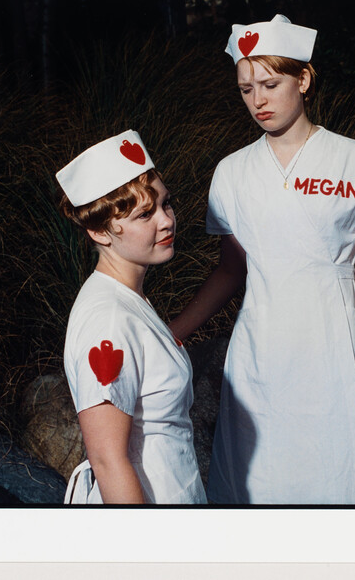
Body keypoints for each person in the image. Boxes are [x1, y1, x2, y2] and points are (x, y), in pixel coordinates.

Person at [169, 14, 355, 504]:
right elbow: (231, 270)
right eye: (246, 89)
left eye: (270, 84)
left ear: (302, 79)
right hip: (261, 353)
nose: (257, 100)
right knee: (262, 486)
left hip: (336, 346)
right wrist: (172, 331)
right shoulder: (232, 172)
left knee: (339, 481)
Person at [57, 130, 205, 504]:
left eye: (166, 204)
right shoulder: (108, 318)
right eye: (145, 214)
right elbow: (107, 461)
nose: (166, 221)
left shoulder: (129, 298)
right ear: (99, 231)